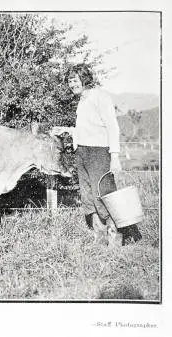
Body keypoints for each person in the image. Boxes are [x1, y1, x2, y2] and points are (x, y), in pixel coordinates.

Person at [51, 64, 142, 247]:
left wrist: (114, 156)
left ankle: (116, 237)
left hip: (99, 152)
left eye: (75, 80)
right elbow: (89, 128)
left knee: (104, 194)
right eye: (69, 81)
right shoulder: (82, 100)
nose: (72, 84)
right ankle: (100, 237)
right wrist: (68, 130)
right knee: (87, 196)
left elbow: (111, 126)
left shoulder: (100, 96)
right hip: (82, 151)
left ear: (85, 79)